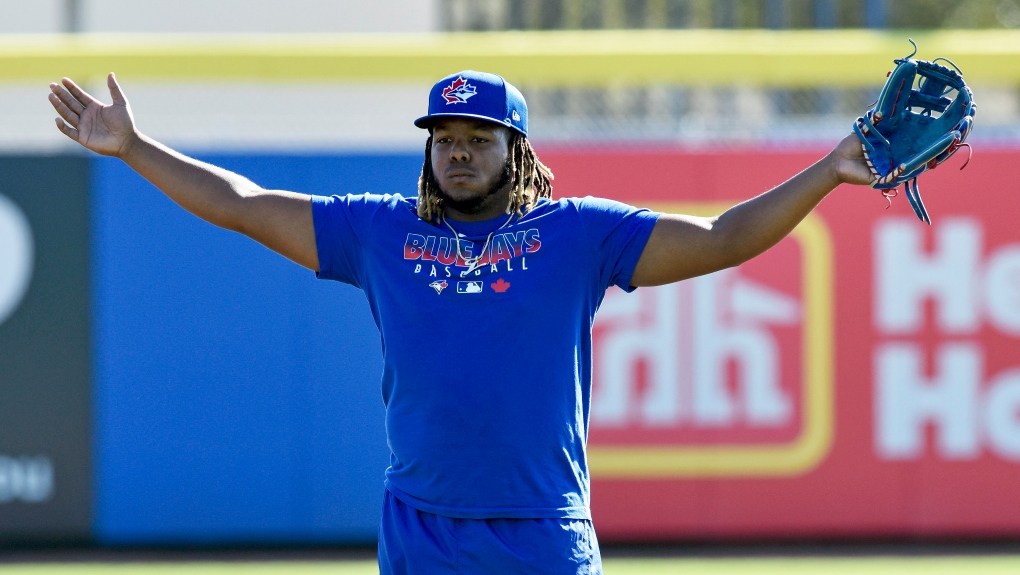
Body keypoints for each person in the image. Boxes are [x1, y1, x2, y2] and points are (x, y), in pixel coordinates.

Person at [49, 70, 873, 574]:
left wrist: (829, 171)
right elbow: (242, 205)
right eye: (444, 136)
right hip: (422, 528)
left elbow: (725, 236)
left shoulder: (577, 232)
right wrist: (134, 146)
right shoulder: (380, 231)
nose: (459, 151)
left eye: (481, 137)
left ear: (517, 150)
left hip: (541, 529)